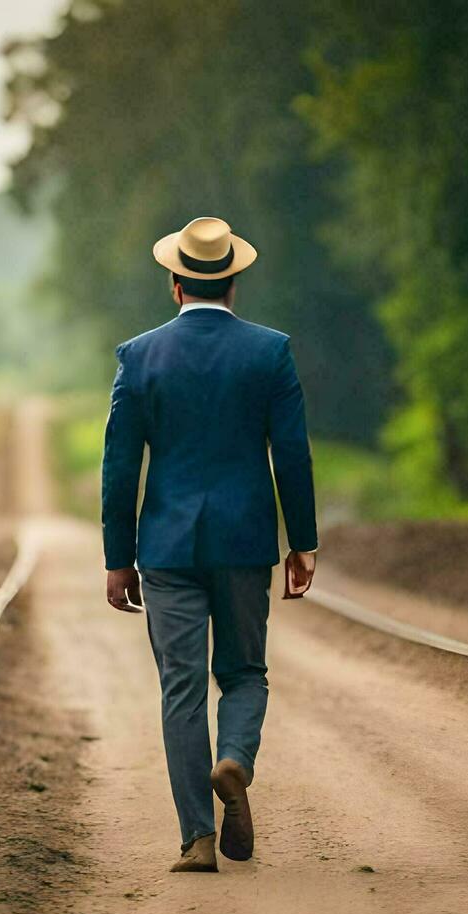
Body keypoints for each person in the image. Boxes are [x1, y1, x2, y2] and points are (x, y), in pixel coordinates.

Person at [101, 216, 318, 873]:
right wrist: (301, 542)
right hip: (246, 540)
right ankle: (236, 760)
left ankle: (197, 838)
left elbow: (119, 465)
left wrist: (118, 557)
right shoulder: (269, 351)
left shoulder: (139, 357)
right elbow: (292, 454)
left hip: (166, 548)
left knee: (180, 687)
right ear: (233, 284)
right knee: (245, 672)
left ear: (175, 284)